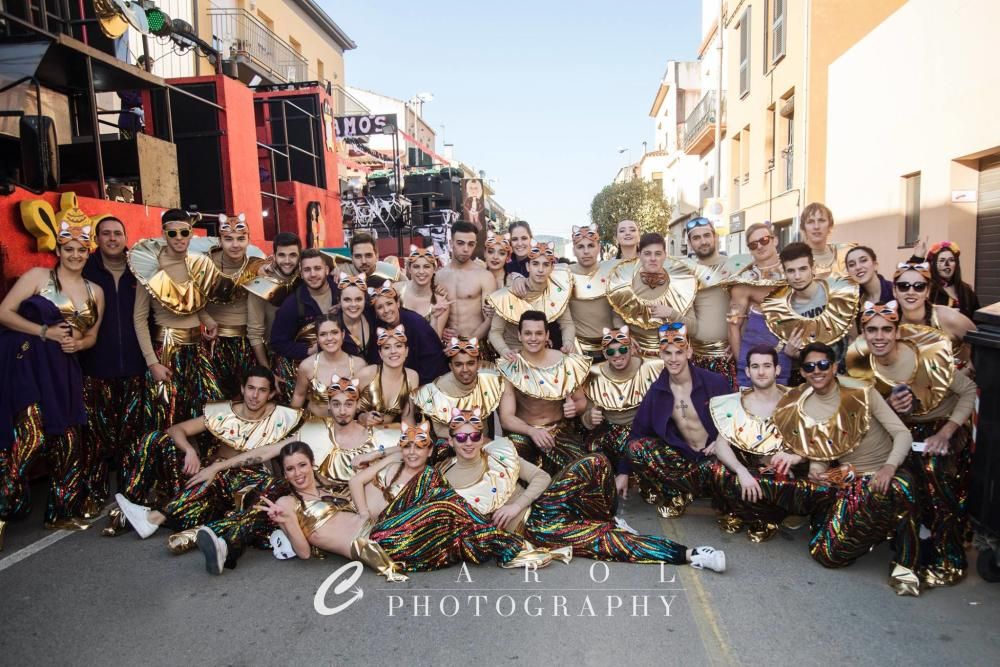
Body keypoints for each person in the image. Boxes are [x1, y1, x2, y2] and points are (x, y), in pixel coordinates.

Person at [380, 408, 727, 570]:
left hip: (543, 502)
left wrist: (517, 504)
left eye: (474, 435)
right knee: (604, 543)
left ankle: (606, 517)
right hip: (539, 529)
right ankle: (690, 554)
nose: (469, 442)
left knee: (595, 463)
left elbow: (542, 478)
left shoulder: (498, 451)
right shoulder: (441, 476)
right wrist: (377, 459)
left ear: (482, 436)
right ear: (451, 440)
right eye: (461, 437)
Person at [773, 342, 921, 596]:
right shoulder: (805, 406)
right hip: (850, 480)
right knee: (825, 554)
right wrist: (812, 468)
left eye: (822, 365)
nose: (816, 371)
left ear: (834, 366)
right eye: (809, 367)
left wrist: (889, 467)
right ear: (804, 372)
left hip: (885, 474)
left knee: (901, 491)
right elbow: (821, 453)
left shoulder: (862, 392)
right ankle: (871, 528)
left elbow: (902, 434)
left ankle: (905, 564)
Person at [846, 301, 977, 587]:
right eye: (871, 330)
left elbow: (967, 390)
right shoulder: (859, 364)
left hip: (943, 425)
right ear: (863, 334)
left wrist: (947, 431)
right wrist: (891, 407)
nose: (879, 336)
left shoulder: (923, 355)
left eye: (885, 330)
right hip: (903, 429)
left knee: (933, 471)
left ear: (896, 332)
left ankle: (949, 557)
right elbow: (871, 413)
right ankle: (913, 540)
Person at [111, 368, 301, 549]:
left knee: (225, 477)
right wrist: (189, 451)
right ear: (243, 389)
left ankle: (156, 517)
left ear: (270, 394)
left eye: (262, 390)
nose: (254, 395)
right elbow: (175, 430)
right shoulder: (224, 412)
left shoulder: (282, 417)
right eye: (251, 388)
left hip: (237, 486)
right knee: (152, 438)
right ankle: (128, 510)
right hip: (204, 478)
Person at [0, 214, 104, 542]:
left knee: (69, 442)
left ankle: (59, 513)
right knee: (28, 439)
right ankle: (1, 513)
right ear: (58, 249)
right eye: (69, 248)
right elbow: (4, 312)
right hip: (31, 367)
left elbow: (92, 338)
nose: (75, 254)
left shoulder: (95, 290)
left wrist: (78, 343)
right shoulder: (37, 276)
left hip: (65, 370)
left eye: (82, 249)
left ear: (89, 252)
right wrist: (43, 331)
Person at [199, 441, 407, 579]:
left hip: (383, 525)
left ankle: (222, 542)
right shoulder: (287, 503)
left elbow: (403, 449)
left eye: (302, 465)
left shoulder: (328, 486)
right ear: (285, 474)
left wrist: (378, 454)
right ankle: (222, 544)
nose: (298, 473)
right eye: (290, 469)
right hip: (376, 544)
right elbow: (305, 553)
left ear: (312, 464)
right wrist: (286, 520)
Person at [129, 209, 222, 432]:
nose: (179, 238)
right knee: (167, 411)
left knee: (203, 405)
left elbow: (192, 303)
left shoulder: (197, 264)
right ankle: (170, 463)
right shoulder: (150, 267)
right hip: (167, 350)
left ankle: (199, 460)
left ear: (191, 234)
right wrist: (152, 362)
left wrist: (209, 322)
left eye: (184, 232)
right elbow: (139, 318)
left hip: (196, 349)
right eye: (173, 233)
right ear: (164, 234)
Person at [627, 323, 731, 518]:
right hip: (683, 460)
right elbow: (638, 431)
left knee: (724, 473)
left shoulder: (715, 382)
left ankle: (709, 492)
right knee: (636, 448)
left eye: (679, 353)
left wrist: (721, 441)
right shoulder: (657, 391)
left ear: (689, 353)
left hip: (715, 457)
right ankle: (677, 491)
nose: (673, 359)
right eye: (668, 353)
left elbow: (736, 421)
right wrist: (623, 474)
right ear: (661, 355)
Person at [79, 216, 145, 518]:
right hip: (96, 366)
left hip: (135, 364)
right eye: (105, 234)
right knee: (96, 436)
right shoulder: (84, 269)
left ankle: (130, 491)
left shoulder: (139, 268)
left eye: (117, 233)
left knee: (131, 433)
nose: (112, 238)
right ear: (98, 239)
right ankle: (95, 492)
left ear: (125, 236)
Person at [704, 345, 801, 542]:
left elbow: (812, 446)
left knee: (778, 481)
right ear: (748, 371)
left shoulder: (796, 402)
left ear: (777, 370)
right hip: (746, 473)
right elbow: (721, 445)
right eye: (755, 366)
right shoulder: (735, 402)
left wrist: (793, 458)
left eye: (767, 366)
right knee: (716, 468)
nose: (761, 372)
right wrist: (742, 471)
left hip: (778, 476)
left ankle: (764, 517)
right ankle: (740, 512)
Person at [497, 311, 591, 472]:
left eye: (539, 333)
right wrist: (532, 431)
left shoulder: (564, 361)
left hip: (558, 431)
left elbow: (581, 401)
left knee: (584, 470)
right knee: (511, 467)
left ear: (547, 335)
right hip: (524, 432)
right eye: (528, 333)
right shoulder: (510, 366)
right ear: (519, 335)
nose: (533, 338)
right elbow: (506, 417)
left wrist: (575, 408)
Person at [580, 326, 663, 495]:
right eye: (611, 352)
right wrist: (590, 417)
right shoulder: (593, 374)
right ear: (604, 354)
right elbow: (586, 416)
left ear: (632, 349)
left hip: (641, 430)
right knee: (593, 448)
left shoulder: (652, 367)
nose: (617, 355)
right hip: (609, 431)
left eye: (622, 349)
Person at [760, 242, 860, 383]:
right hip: (810, 381)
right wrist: (791, 354)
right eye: (791, 271)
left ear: (812, 268)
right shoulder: (780, 311)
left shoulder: (838, 292)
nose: (797, 276)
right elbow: (789, 356)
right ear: (784, 273)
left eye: (802, 269)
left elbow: (853, 339)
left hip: (844, 376)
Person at [683, 217, 752, 387]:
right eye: (696, 238)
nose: (703, 241)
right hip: (697, 358)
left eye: (707, 235)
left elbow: (750, 307)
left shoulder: (736, 267)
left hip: (729, 357)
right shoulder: (687, 273)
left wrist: (740, 342)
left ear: (715, 237)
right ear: (690, 244)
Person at [204, 214, 266, 399]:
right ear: (219, 240)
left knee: (247, 399)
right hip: (213, 344)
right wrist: (206, 322)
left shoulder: (256, 265)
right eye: (228, 239)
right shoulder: (205, 263)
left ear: (248, 239)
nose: (235, 245)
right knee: (215, 399)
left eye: (241, 239)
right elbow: (192, 301)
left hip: (247, 344)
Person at [607, 232, 698, 357]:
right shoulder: (627, 283)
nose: (653, 258)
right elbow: (617, 316)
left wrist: (671, 313)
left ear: (665, 255)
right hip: (636, 357)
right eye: (647, 253)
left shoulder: (681, 283)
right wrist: (625, 334)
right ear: (639, 255)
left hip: (671, 358)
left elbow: (693, 329)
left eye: (658, 253)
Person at [727, 222, 791, 386]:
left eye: (764, 240)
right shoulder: (744, 281)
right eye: (753, 244)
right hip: (754, 357)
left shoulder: (794, 272)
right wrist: (743, 364)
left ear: (774, 240)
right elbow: (733, 326)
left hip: (790, 356)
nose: (760, 246)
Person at [488, 240, 577, 357]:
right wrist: (504, 351)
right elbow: (495, 331)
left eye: (545, 264)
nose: (540, 270)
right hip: (514, 354)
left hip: (542, 353)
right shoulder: (508, 294)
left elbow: (567, 323)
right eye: (535, 264)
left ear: (551, 268)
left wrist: (568, 342)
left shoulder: (557, 292)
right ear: (528, 266)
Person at [269, 249, 341, 387]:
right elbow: (278, 342)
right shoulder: (292, 305)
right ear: (301, 274)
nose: (313, 274)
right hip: (308, 372)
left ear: (327, 270)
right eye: (307, 270)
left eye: (317, 268)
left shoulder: (342, 291)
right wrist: (307, 351)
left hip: (344, 365)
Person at [411, 336, 504, 440]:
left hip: (483, 443)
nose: (465, 369)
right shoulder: (439, 389)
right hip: (451, 443)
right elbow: (439, 430)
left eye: (470, 363)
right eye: (458, 364)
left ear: (478, 364)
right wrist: (465, 437)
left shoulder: (489, 381)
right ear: (451, 367)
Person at [246, 231, 301, 401]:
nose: (287, 260)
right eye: (282, 255)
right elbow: (254, 332)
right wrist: (267, 371)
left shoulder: (308, 276)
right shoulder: (261, 284)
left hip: (307, 356)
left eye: (293, 255)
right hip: (275, 358)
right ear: (274, 256)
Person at [893, 262, 976, 371]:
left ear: (928, 291)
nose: (911, 292)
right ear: (894, 291)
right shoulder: (890, 325)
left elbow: (984, 347)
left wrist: (967, 372)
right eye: (903, 286)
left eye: (919, 286)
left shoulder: (947, 317)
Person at [368, 281, 447, 385]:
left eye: (389, 304)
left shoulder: (416, 323)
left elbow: (433, 359)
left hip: (426, 382)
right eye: (380, 307)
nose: (386, 310)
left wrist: (418, 389)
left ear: (398, 303)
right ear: (376, 312)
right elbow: (376, 360)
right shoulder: (377, 328)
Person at [289, 314, 367, 417]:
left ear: (343, 335)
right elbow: (299, 396)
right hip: (315, 426)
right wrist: (290, 425)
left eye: (334, 332)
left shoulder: (359, 365)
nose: (329, 338)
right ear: (317, 338)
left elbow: (366, 401)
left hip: (348, 427)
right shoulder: (307, 366)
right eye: (323, 334)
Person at [436, 221, 497, 346]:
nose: (466, 249)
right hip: (447, 347)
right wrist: (441, 331)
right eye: (460, 243)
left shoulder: (484, 276)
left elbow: (490, 320)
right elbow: (434, 315)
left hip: (476, 345)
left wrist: (468, 344)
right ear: (450, 243)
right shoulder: (439, 276)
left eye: (471, 244)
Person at [567, 224, 617, 359]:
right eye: (580, 247)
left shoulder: (613, 270)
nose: (586, 251)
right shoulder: (563, 273)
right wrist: (515, 277)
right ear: (573, 251)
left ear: (599, 248)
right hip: (578, 350)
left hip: (614, 349)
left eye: (590, 246)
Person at [356, 325, 419, 428]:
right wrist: (362, 417)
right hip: (359, 433)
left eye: (398, 346)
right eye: (387, 347)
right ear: (380, 354)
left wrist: (411, 438)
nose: (393, 351)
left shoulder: (412, 377)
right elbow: (342, 404)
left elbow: (407, 417)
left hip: (387, 435)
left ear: (406, 351)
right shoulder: (367, 374)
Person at [396, 245, 449, 337]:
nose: (421, 271)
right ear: (409, 268)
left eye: (426, 267)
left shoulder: (440, 302)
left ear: (434, 269)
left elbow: (435, 342)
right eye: (416, 267)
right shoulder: (397, 290)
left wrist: (434, 318)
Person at [798, 202, 856, 278]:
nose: (816, 226)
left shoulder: (847, 253)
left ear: (830, 225)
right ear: (803, 228)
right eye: (810, 222)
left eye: (821, 220)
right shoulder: (793, 259)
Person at [924, 241, 980, 320]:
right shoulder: (929, 289)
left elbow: (977, 319)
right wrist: (917, 258)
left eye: (951, 260)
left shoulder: (966, 290)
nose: (947, 264)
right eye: (942, 260)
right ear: (934, 264)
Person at [328, 232, 402, 288]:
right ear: (352, 257)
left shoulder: (392, 273)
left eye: (368, 255)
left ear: (377, 256)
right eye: (358, 256)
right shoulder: (341, 271)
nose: (363, 261)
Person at [336, 272, 375, 359]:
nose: (353, 304)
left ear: (365, 299)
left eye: (358, 299)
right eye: (347, 300)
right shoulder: (332, 326)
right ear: (339, 301)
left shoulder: (372, 317)